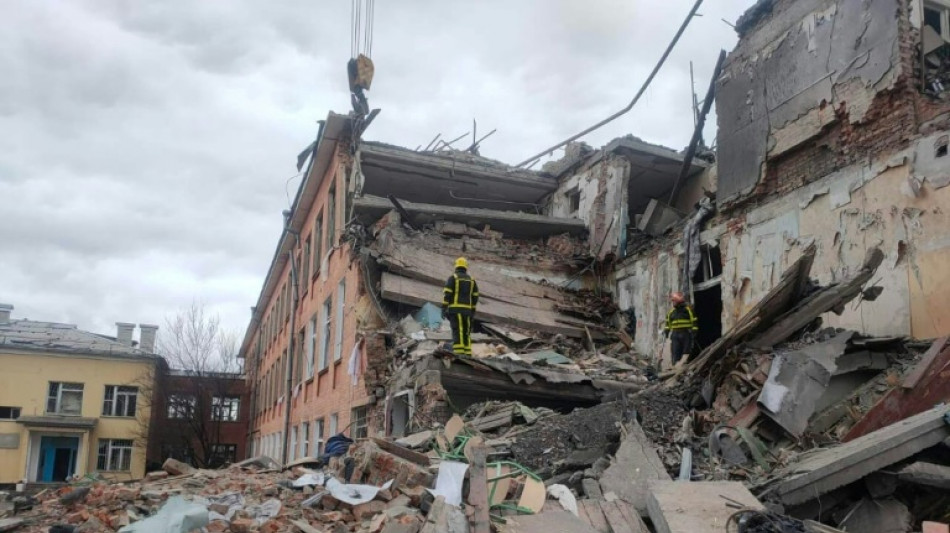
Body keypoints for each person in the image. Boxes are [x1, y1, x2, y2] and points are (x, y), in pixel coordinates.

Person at [442, 257, 479, 356]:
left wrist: (443, 308)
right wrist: (472, 311)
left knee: (458, 330)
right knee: (466, 332)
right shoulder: (472, 280)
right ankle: (467, 353)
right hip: (467, 312)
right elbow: (475, 297)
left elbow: (447, 294)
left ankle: (458, 353)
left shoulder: (453, 278)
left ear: (456, 266)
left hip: (455, 310)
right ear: (465, 267)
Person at [664, 291, 698, 365]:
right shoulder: (671, 312)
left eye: (674, 301)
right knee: (675, 352)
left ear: (678, 301)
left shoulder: (688, 310)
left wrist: (694, 331)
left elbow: (694, 321)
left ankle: (685, 366)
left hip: (686, 333)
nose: (673, 303)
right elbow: (668, 323)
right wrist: (666, 331)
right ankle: (675, 366)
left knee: (686, 352)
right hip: (675, 334)